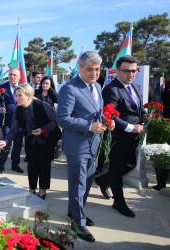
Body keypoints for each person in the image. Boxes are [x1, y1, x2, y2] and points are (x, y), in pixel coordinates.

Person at [57, 51, 115, 242]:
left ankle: (75, 213)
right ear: (80, 68)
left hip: (93, 144)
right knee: (78, 184)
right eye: (89, 69)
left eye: (97, 69)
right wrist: (89, 126)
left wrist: (108, 121)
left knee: (86, 182)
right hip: (77, 145)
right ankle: (78, 223)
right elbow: (63, 118)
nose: (94, 73)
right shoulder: (70, 88)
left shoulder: (97, 86)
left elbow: (97, 113)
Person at [96, 56, 148, 218]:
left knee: (130, 164)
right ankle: (119, 201)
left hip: (133, 138)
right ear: (118, 71)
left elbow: (137, 107)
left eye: (134, 71)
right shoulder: (111, 90)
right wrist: (132, 127)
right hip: (117, 137)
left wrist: (144, 115)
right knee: (117, 170)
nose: (131, 74)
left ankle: (104, 180)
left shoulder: (135, 87)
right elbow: (109, 115)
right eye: (126, 71)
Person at [0, 84, 60, 199]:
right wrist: (5, 141)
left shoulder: (43, 105)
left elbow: (55, 122)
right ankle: (32, 188)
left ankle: (42, 190)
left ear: (29, 96)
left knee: (44, 165)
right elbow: (14, 129)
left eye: (20, 95)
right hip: (31, 139)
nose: (17, 98)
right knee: (32, 165)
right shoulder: (18, 110)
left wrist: (42, 130)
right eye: (16, 96)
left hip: (47, 139)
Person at [0, 67, 24, 174]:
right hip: (7, 122)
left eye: (15, 75)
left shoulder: (23, 88)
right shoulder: (2, 87)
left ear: (19, 77)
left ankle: (15, 165)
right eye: (10, 74)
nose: (12, 77)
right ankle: (1, 164)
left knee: (18, 145)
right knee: (6, 144)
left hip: (20, 123)